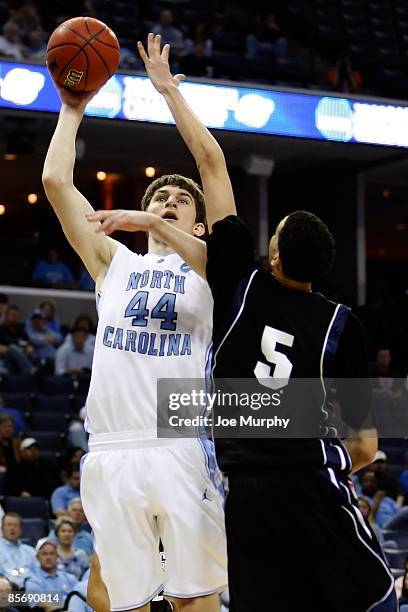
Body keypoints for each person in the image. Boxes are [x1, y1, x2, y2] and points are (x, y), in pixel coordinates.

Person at [90, 36, 397, 612]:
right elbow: (365, 446)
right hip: (311, 485)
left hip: (247, 496)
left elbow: (210, 159)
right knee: (374, 600)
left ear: (273, 257)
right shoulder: (341, 324)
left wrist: (167, 92)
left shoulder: (240, 285)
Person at [42, 32, 227, 612]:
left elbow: (212, 162)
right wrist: (72, 110)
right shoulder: (114, 261)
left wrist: (169, 92)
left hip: (179, 443)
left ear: (199, 225)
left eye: (180, 199)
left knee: (194, 601)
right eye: (159, 195)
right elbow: (54, 183)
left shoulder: (212, 266)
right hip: (111, 447)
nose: (168, 199)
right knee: (123, 603)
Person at [25, 539, 79, 611]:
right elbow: (47, 606)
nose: (48, 558)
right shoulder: (32, 582)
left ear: (57, 556)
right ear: (37, 558)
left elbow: (83, 598)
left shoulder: (70, 578)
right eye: (44, 554)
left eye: (52, 553)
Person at [0, 513, 37, 588]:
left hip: (31, 590)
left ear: (20, 530)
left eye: (15, 525)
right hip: (7, 591)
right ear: (2, 528)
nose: (12, 528)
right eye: (9, 525)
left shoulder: (30, 551)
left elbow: (38, 572)